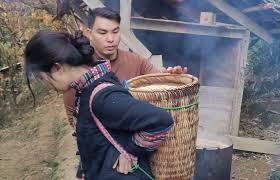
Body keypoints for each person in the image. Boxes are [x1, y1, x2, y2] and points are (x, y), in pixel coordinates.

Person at [24, 30, 174, 180]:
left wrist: (130, 151)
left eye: (41, 78)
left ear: (57, 68)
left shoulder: (101, 97)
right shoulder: (86, 90)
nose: (45, 85)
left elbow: (160, 120)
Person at [63, 7, 187, 127]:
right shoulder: (80, 71)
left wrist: (172, 77)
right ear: (89, 34)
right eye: (103, 33)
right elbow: (73, 119)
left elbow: (158, 80)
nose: (111, 39)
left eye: (115, 31)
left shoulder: (135, 61)